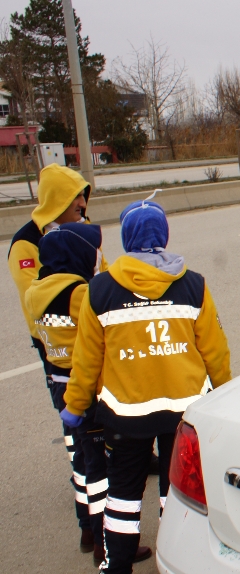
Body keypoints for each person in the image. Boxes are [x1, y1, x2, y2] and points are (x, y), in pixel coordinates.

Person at [62, 199, 232, 574]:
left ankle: (116, 565)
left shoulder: (100, 289)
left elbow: (86, 359)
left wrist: (75, 406)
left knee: (122, 494)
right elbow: (215, 352)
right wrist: (224, 397)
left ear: (126, 239)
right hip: (183, 413)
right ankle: (176, 559)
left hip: (125, 416)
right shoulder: (193, 285)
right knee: (177, 493)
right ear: (164, 235)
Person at [24, 224, 152, 566]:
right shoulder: (80, 293)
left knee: (81, 459)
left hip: (58, 383)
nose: (95, 256)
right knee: (102, 468)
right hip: (88, 389)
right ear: (75, 255)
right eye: (90, 251)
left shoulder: (33, 293)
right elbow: (104, 336)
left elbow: (37, 338)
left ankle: (86, 527)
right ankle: (104, 543)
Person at [6, 164, 97, 551]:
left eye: (83, 195)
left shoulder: (82, 227)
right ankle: (91, 520)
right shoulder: (25, 244)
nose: (82, 202)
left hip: (93, 340)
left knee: (100, 421)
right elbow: (40, 306)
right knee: (78, 427)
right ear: (59, 199)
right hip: (61, 352)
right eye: (76, 195)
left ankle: (105, 472)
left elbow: (101, 272)